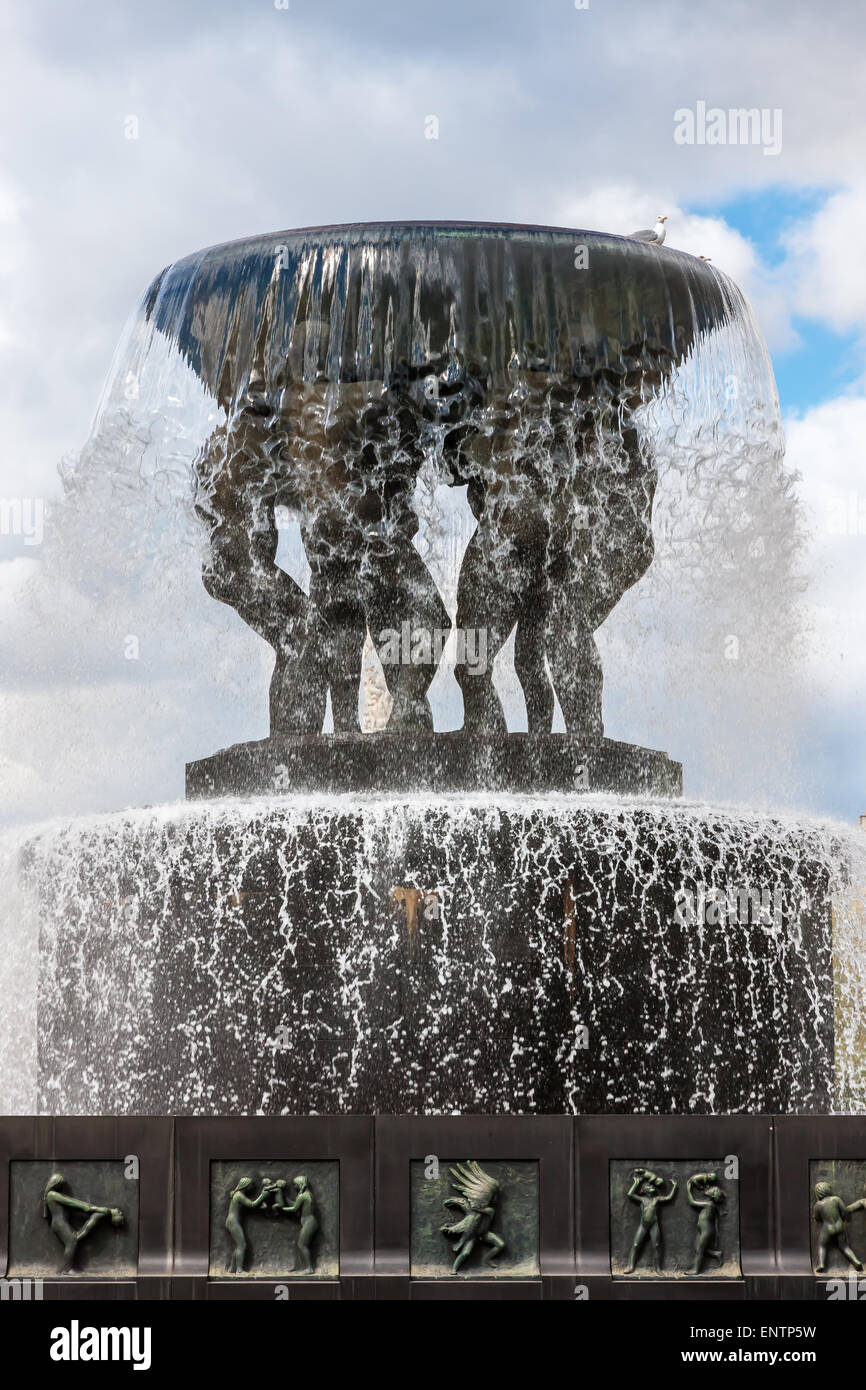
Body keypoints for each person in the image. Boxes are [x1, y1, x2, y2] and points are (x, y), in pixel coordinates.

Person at [42, 1172, 123, 1274]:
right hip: (59, 1223)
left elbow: (72, 1202)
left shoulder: (53, 1195)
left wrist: (99, 1210)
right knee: (71, 1242)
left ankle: (67, 1269)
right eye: (60, 1184)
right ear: (54, 1184)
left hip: (61, 1222)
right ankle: (66, 1270)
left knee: (74, 1240)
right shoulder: (52, 1194)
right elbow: (73, 1203)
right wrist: (93, 1208)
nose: (61, 1186)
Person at [624, 1168, 677, 1274]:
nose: (652, 1186)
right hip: (643, 1225)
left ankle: (658, 1268)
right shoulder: (642, 1199)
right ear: (644, 1191)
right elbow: (630, 1194)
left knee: (656, 1246)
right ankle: (630, 1266)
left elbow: (669, 1198)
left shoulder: (656, 1199)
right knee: (635, 1245)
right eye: (649, 1186)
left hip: (654, 1225)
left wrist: (674, 1186)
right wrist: (636, 1183)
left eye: (652, 1186)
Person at [813, 1182, 863, 1274]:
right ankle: (856, 1262)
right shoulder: (836, 1199)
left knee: (822, 1245)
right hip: (839, 1226)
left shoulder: (818, 1205)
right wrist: (843, 1219)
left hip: (827, 1229)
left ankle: (821, 1264)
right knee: (844, 1247)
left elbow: (817, 1218)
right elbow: (844, 1211)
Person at [225, 1177, 270, 1274]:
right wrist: (263, 1195)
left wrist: (261, 1206)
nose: (253, 1187)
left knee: (238, 1246)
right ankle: (239, 1270)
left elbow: (250, 1206)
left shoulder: (239, 1195)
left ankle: (232, 1268)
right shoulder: (239, 1195)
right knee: (242, 1245)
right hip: (233, 1222)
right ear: (246, 1186)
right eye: (251, 1185)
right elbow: (252, 1205)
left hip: (232, 1221)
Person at [686, 1174, 725, 1274]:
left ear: (712, 1195)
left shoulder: (709, 1204)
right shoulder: (711, 1205)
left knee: (699, 1250)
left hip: (706, 1230)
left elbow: (692, 1202)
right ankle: (716, 1254)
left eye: (710, 1190)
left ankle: (695, 1270)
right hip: (703, 1229)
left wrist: (688, 1189)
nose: (708, 1190)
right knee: (697, 1247)